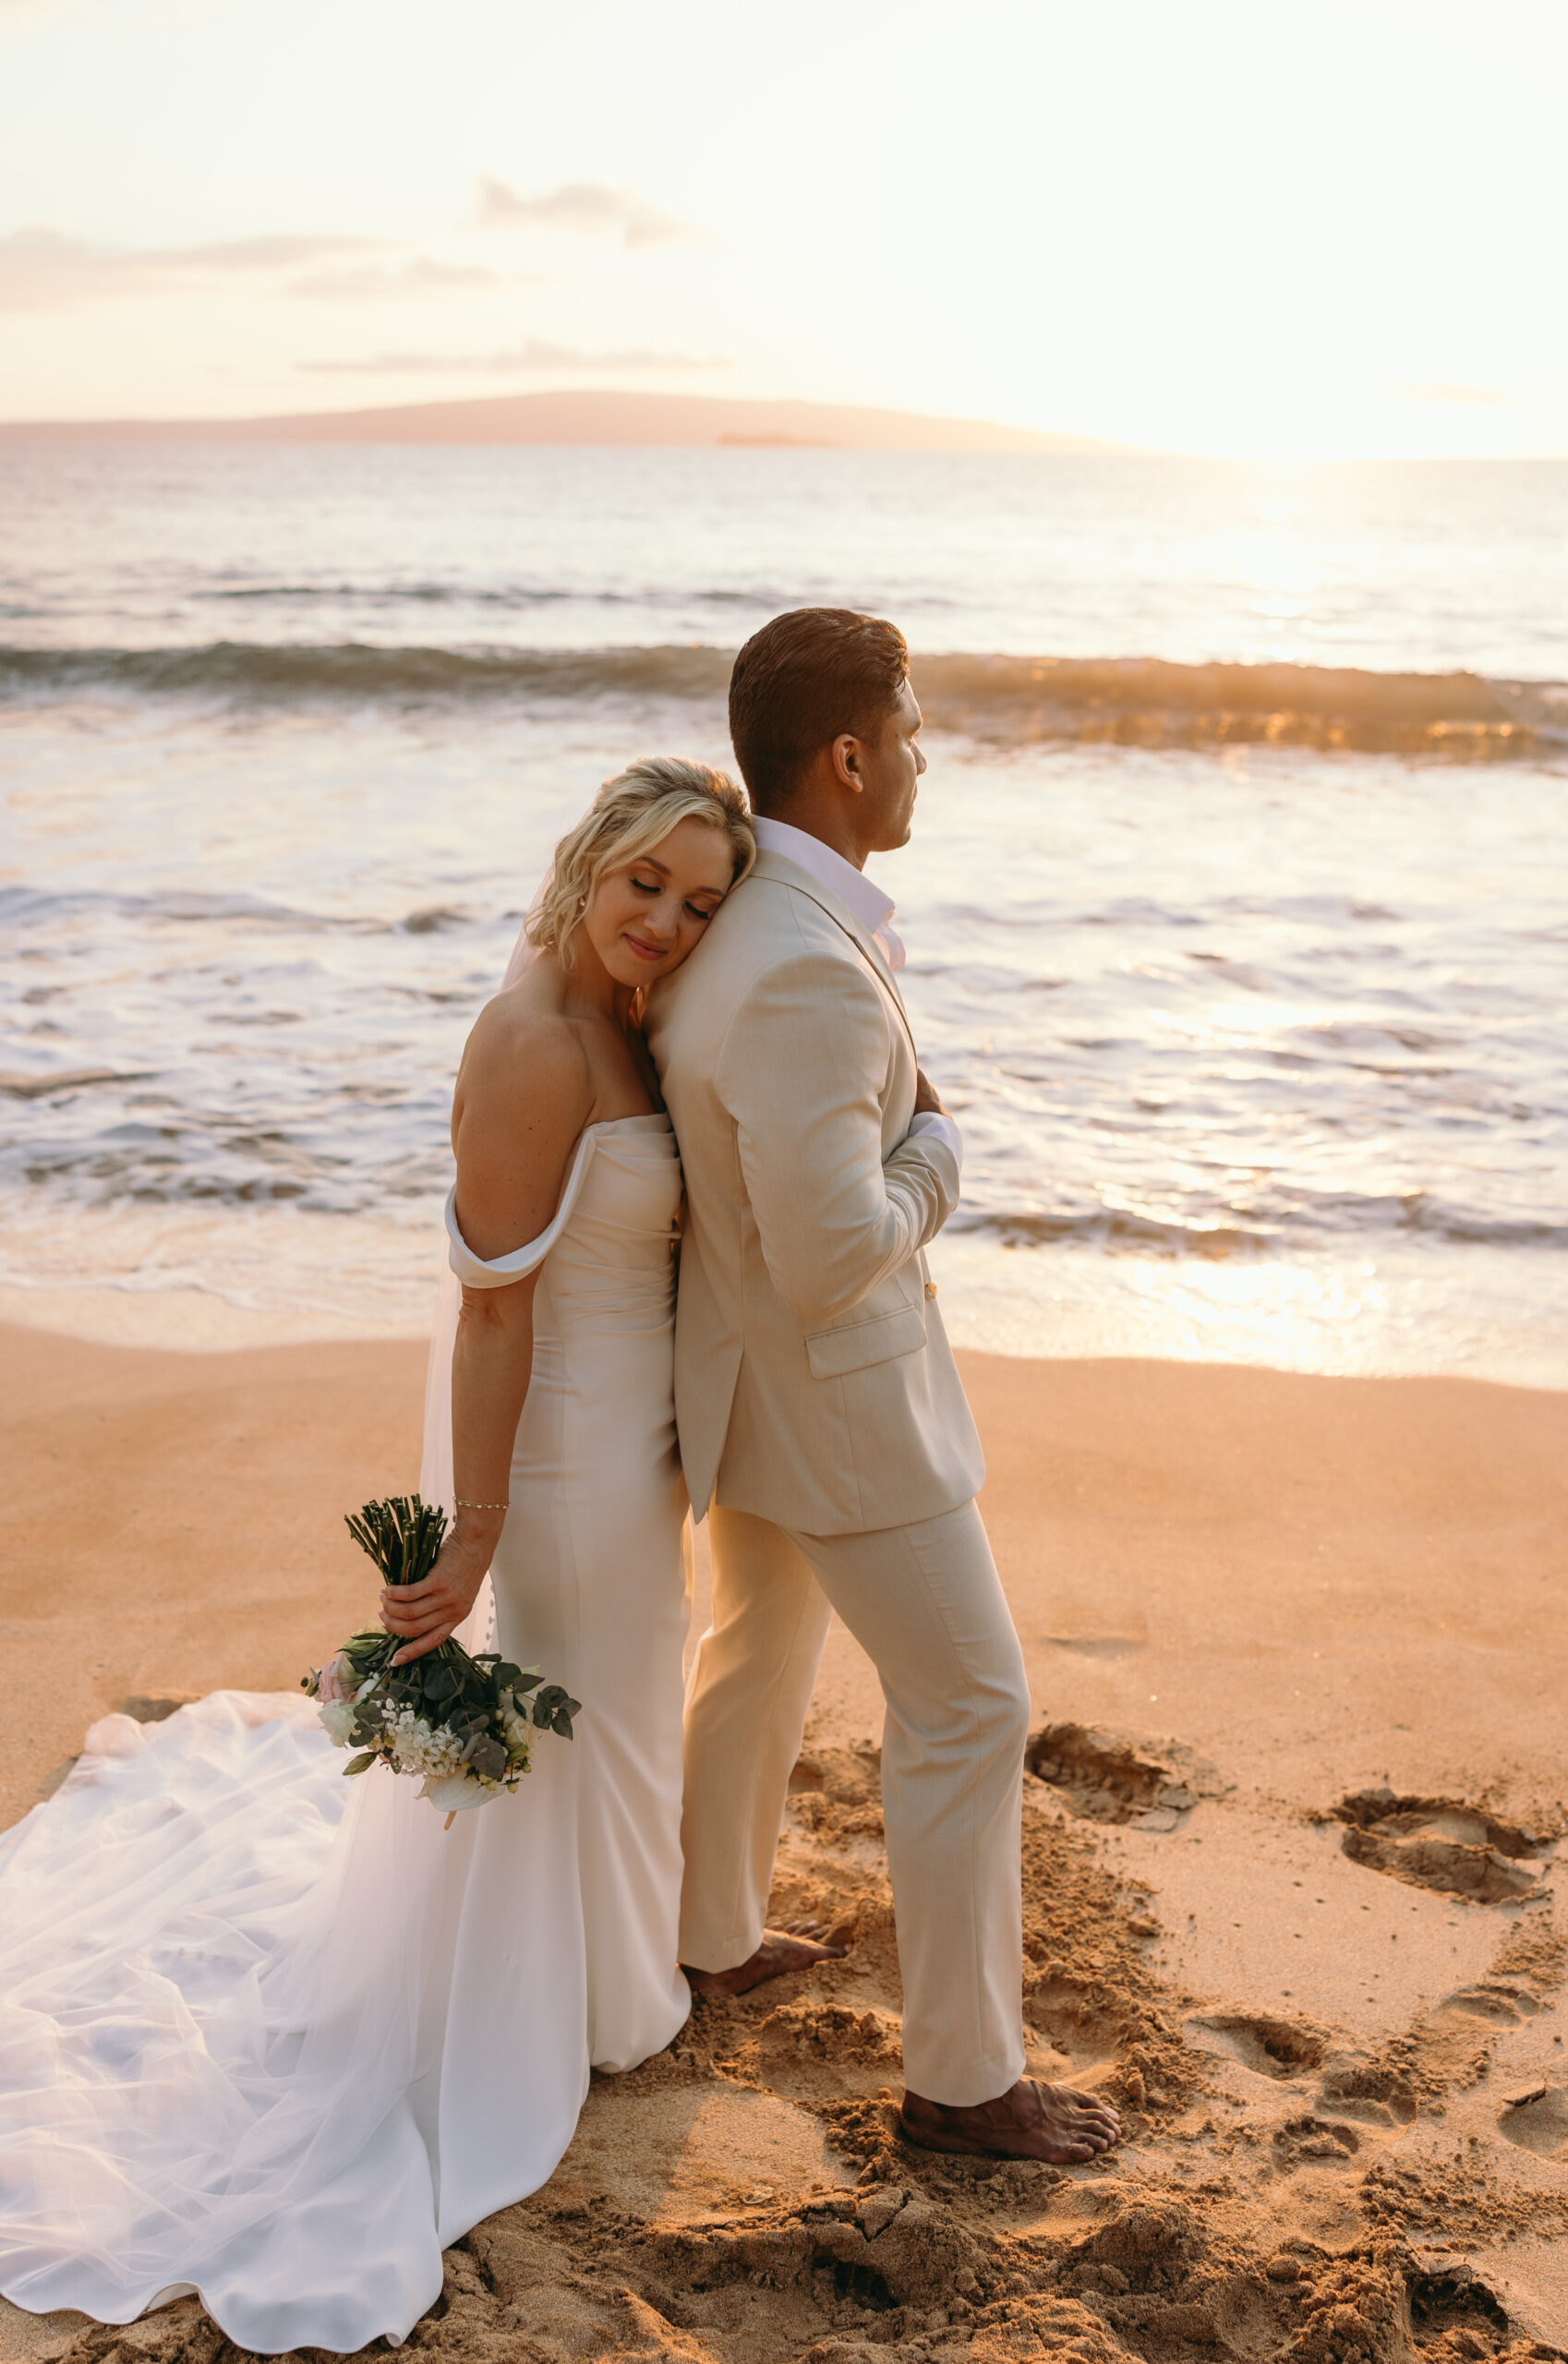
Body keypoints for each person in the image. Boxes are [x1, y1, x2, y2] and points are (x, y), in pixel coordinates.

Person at [0, 759, 754, 2355]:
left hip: (634, 1453)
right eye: (646, 887)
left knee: (620, 1716)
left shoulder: (628, 1019)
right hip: (551, 1460)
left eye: (698, 904)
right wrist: (473, 1530)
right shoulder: (531, 1043)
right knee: (582, 1709)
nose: (667, 924)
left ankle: (616, 1982)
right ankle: (562, 2009)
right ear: (585, 863)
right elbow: (490, 1306)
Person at [646, 609, 1123, 2165]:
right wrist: (940, 1155)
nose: (923, 754)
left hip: (751, 1394)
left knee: (757, 1651)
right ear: (847, 757)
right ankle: (965, 2081)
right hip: (839, 1399)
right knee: (973, 1706)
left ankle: (710, 1932)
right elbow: (827, 1253)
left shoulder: (754, 922)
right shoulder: (799, 969)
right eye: (909, 730)